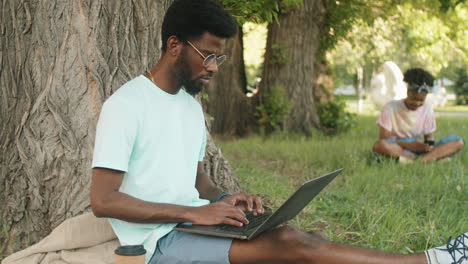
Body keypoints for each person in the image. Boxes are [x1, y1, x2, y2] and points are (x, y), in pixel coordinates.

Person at [90, 1, 467, 263]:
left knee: (311, 242)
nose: (215, 68)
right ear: (174, 45)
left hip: (195, 224)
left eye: (219, 58)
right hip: (157, 243)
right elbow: (103, 201)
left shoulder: (189, 104)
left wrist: (225, 198)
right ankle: (431, 260)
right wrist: (194, 215)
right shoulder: (126, 106)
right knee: (292, 244)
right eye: (208, 55)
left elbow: (195, 177)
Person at [373, 68, 465, 163]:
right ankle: (429, 159)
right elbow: (384, 138)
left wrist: (428, 146)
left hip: (418, 147)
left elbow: (429, 136)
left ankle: (417, 160)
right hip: (397, 146)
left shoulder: (427, 109)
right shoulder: (390, 108)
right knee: (380, 145)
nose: (417, 103)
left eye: (421, 100)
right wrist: (408, 145)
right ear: (407, 92)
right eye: (413, 99)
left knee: (458, 142)